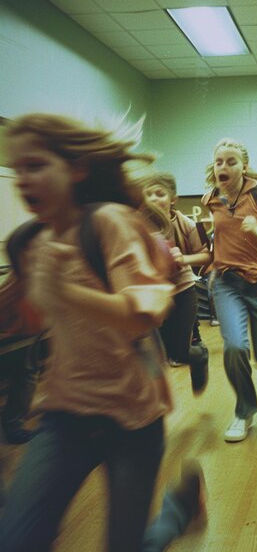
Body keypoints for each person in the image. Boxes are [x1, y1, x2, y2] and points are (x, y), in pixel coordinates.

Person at [0, 113, 175, 551]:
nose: (22, 179)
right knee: (18, 539)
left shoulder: (109, 222)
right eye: (16, 169)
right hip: (64, 414)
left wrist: (65, 290)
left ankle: (177, 511)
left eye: (36, 165)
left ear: (76, 168)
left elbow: (142, 317)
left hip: (133, 416)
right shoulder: (28, 243)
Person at [201, 138, 257, 443]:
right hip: (227, 283)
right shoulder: (210, 199)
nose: (223, 167)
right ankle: (244, 410)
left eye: (231, 162)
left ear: (244, 166)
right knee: (235, 347)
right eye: (219, 162)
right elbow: (218, 236)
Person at [142, 173, 210, 394]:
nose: (153, 199)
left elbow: (205, 256)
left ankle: (199, 356)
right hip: (152, 295)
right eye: (148, 194)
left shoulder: (185, 223)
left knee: (179, 354)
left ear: (173, 199)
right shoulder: (137, 224)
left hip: (182, 292)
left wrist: (184, 259)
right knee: (155, 352)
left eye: (159, 194)